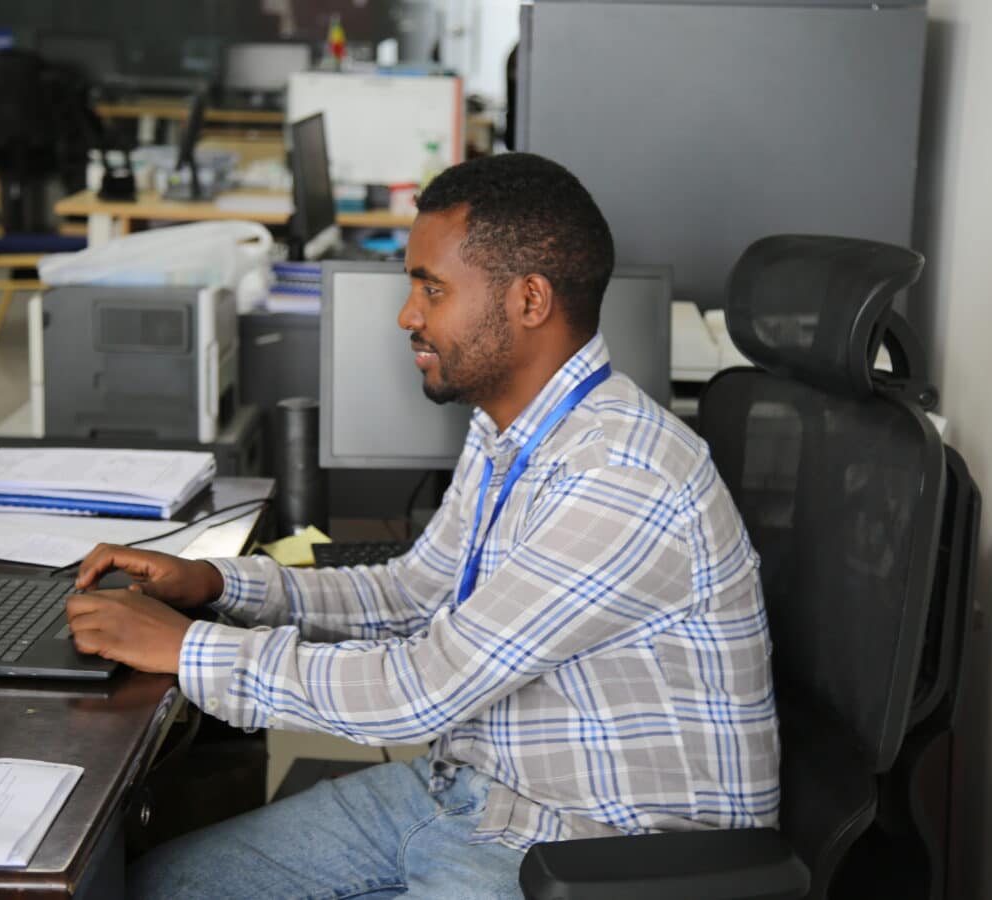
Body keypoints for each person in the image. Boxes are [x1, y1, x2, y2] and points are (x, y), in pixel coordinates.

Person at [67, 152, 779, 900]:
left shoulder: (623, 475)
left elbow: (423, 688)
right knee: (157, 888)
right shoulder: (510, 430)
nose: (408, 316)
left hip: (596, 853)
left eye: (431, 289)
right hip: (470, 794)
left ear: (529, 300)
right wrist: (223, 584)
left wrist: (188, 649)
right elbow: (416, 593)